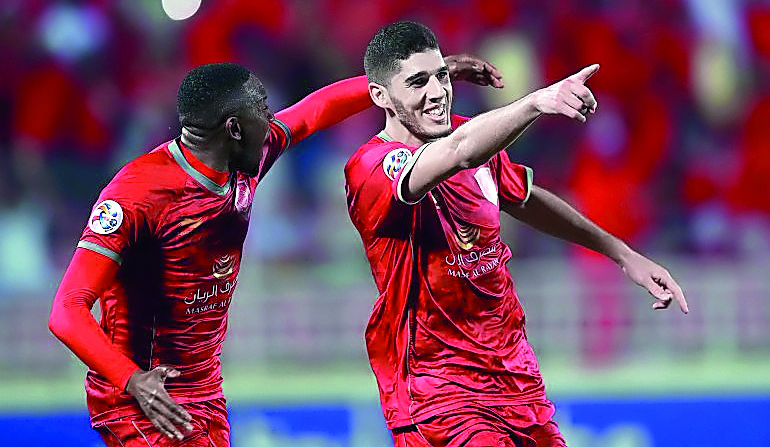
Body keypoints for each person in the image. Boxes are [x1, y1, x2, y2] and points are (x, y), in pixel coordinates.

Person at [48, 58, 503, 446]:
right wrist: (133, 380)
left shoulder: (246, 159)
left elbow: (313, 112)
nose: (271, 119)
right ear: (233, 128)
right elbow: (66, 311)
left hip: (203, 390)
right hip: (143, 400)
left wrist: (399, 89)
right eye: (261, 110)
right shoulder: (137, 195)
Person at [344, 21, 689, 447]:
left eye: (441, 76)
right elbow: (458, 152)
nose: (437, 92)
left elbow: (524, 199)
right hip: (438, 396)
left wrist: (621, 253)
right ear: (381, 96)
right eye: (418, 82)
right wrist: (537, 102)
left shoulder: (472, 138)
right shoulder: (373, 168)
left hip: (516, 382)